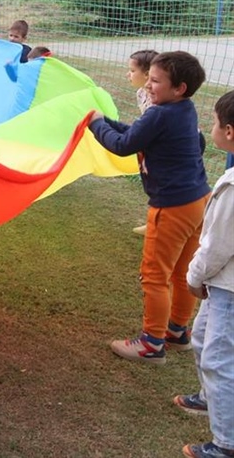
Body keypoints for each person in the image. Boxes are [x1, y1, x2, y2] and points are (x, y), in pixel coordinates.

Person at [87, 51, 212, 363]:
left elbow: (123, 144)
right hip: (199, 201)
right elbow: (138, 135)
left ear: (179, 88)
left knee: (155, 275)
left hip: (172, 207)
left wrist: (96, 124)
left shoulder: (158, 114)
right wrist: (106, 122)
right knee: (182, 271)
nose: (148, 85)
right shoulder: (183, 108)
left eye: (155, 81)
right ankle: (177, 331)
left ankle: (151, 344)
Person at [174, 90, 234, 458]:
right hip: (222, 284)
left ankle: (226, 444)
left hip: (227, 287)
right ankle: (211, 398)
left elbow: (216, 246)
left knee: (219, 358)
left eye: (212, 122)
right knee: (201, 339)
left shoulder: (232, 189)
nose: (210, 128)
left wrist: (194, 277)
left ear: (229, 131)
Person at [127, 49, 159, 235]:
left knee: (162, 186)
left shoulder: (159, 96)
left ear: (148, 74)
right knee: (152, 184)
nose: (128, 75)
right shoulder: (141, 93)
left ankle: (159, 225)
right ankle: (153, 221)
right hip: (153, 145)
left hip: (165, 147)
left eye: (132, 71)